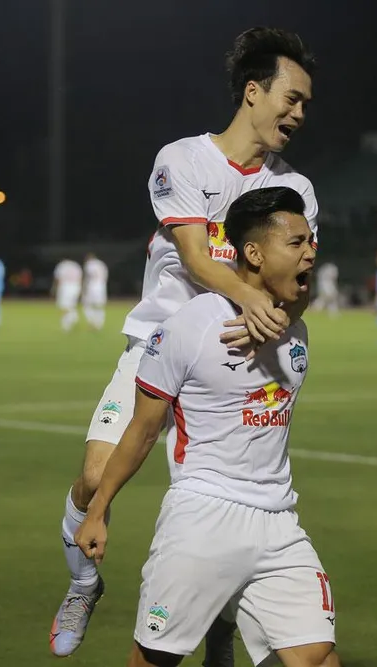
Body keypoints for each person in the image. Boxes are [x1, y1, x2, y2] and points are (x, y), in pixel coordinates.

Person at [50, 26, 319, 663]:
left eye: (308, 104)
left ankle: (222, 624)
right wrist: (253, 297)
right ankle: (84, 583)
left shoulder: (296, 192)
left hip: (235, 362)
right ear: (253, 92)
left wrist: (281, 311)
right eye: (292, 97)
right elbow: (197, 258)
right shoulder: (184, 160)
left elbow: (301, 277)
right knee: (94, 477)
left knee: (221, 501)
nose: (300, 113)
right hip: (157, 347)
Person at [75, 187, 339, 667]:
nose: (311, 251)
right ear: (255, 253)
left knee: (316, 657)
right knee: (155, 660)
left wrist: (280, 313)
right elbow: (142, 430)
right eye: (297, 242)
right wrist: (98, 508)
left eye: (311, 241)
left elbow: (296, 301)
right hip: (204, 518)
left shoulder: (293, 327)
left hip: (280, 519)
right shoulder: (190, 327)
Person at [52, 258, 83, 332]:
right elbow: (80, 278)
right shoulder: (76, 266)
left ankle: (66, 325)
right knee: (70, 305)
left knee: (64, 306)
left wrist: (54, 288)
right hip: (76, 287)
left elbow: (57, 278)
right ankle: (73, 317)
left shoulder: (62, 266)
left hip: (65, 287)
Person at [82, 252, 109, 331]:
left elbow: (88, 277)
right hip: (102, 286)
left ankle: (92, 323)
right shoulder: (102, 264)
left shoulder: (89, 264)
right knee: (99, 306)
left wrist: (84, 288)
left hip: (92, 285)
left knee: (87, 304)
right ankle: (99, 324)